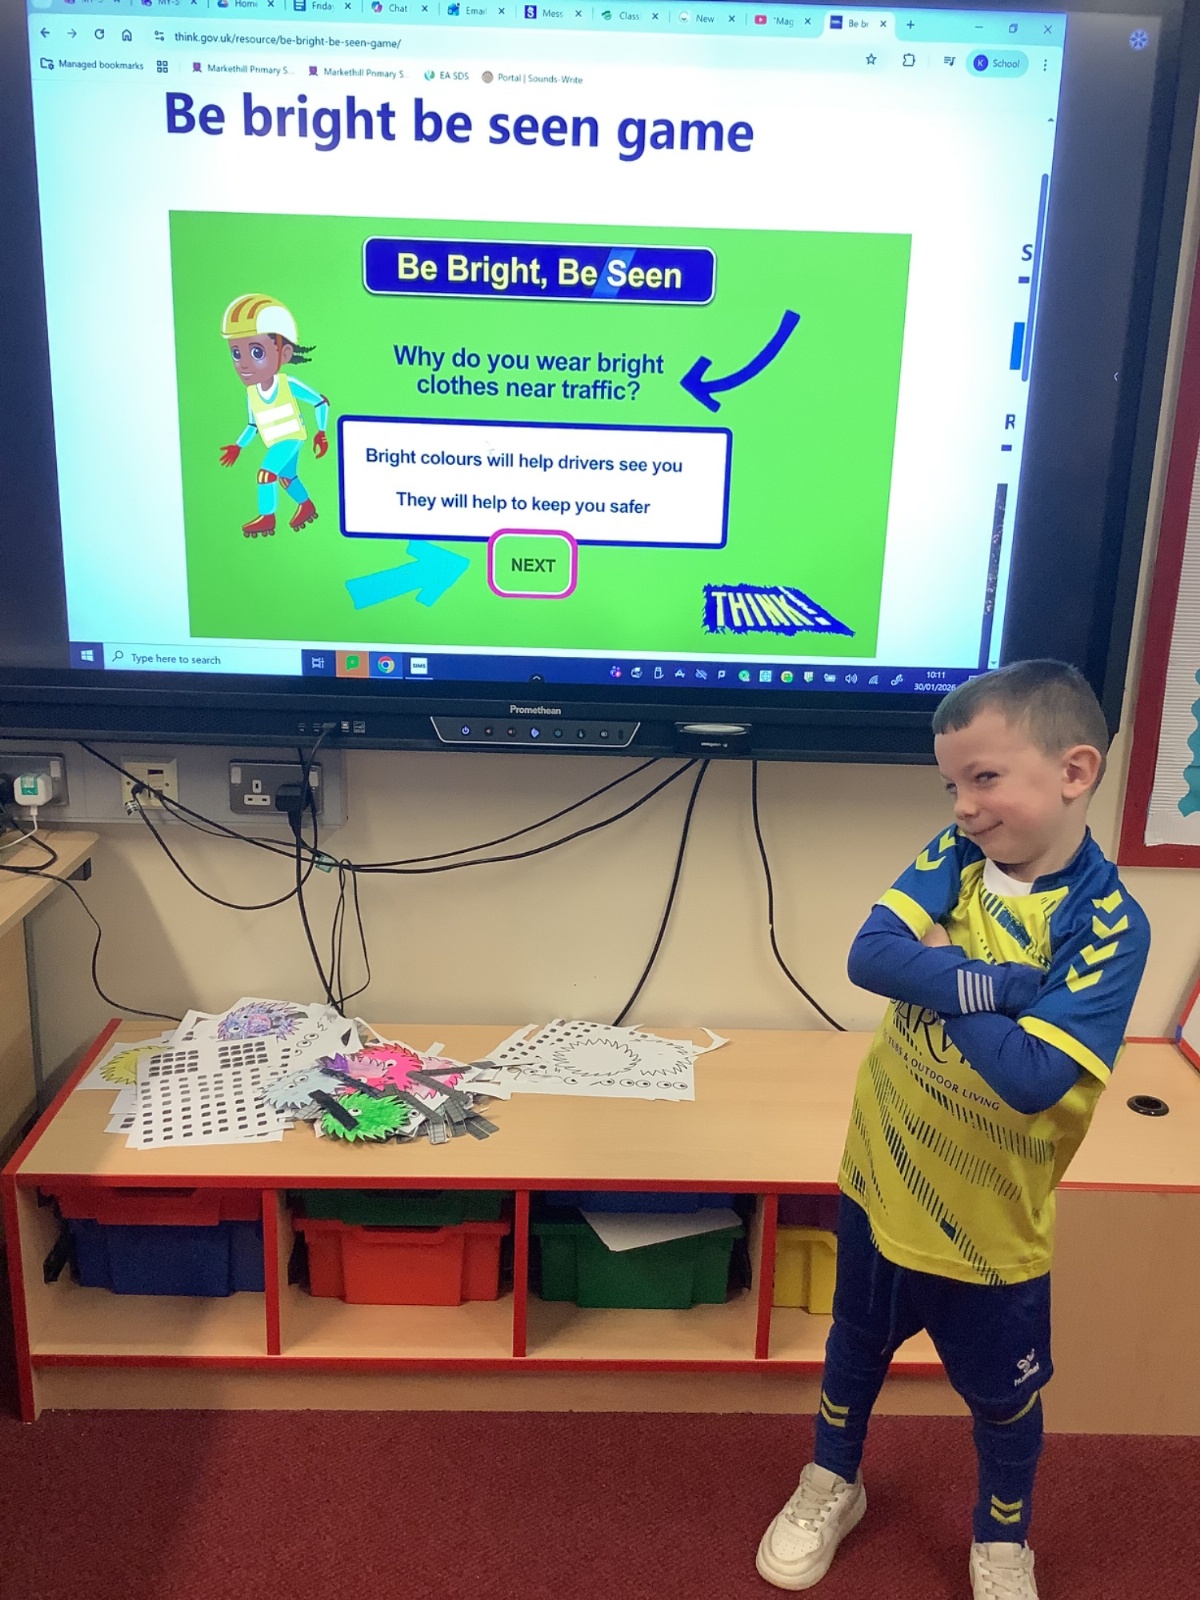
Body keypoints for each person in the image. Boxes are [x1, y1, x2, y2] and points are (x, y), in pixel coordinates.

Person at [756, 660, 1150, 1599]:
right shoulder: (954, 853)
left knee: (1004, 1398)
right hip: (880, 1176)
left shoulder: (1107, 924)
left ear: (1075, 770)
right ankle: (832, 1480)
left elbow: (1030, 1078)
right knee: (854, 1344)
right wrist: (1002, 987)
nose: (964, 806)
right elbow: (868, 957)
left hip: (990, 1223)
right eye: (951, 785)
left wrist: (938, 963)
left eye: (985, 778)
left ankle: (1001, 1541)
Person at [218, 295, 330, 538]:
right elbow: (252, 425)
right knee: (287, 477)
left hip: (291, 437)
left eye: (256, 352)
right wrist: (238, 446)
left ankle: (267, 517)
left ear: (284, 353)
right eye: (236, 354)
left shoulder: (286, 384)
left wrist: (321, 433)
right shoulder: (251, 393)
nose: (243, 364)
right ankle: (306, 505)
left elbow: (320, 401)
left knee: (266, 474)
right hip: (276, 441)